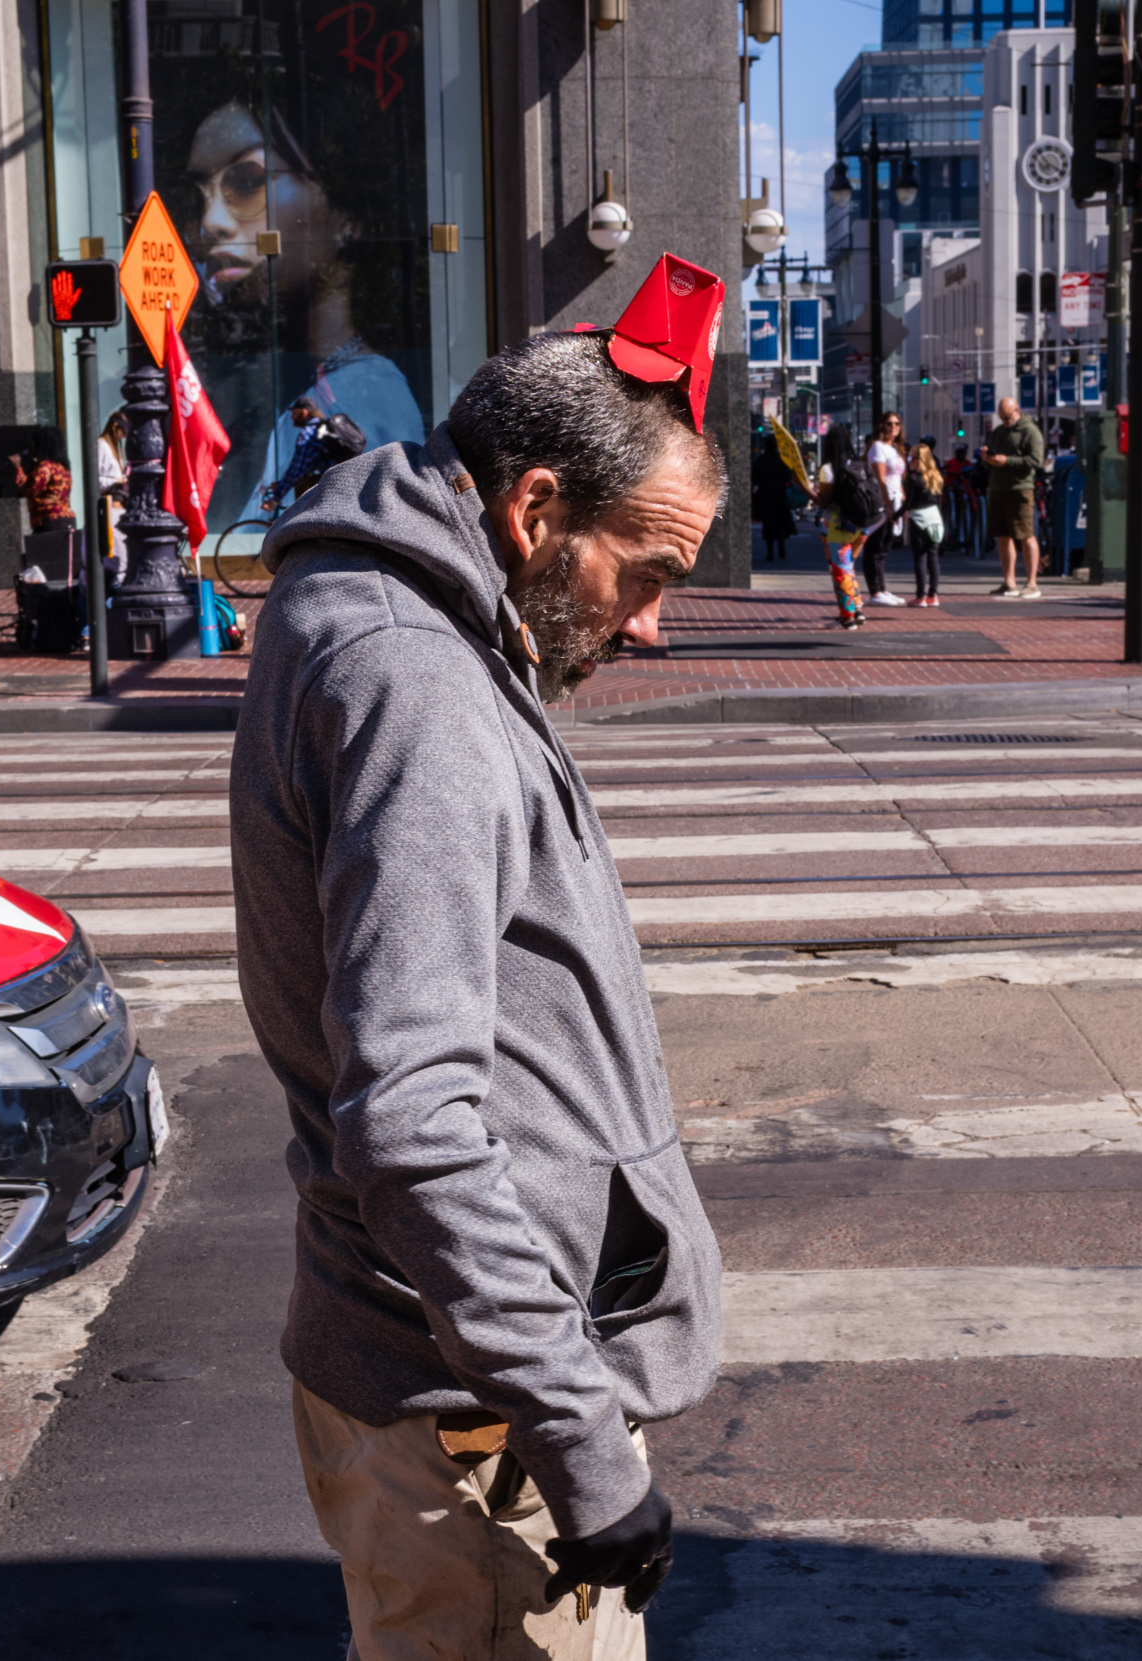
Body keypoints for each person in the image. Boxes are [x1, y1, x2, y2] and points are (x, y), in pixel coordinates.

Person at [231, 327, 724, 1661]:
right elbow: (413, 1124)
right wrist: (583, 1445)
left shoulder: (393, 613)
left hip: (455, 1379)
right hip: (480, 1426)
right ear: (536, 511)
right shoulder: (418, 681)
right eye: (646, 570)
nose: (650, 621)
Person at [181, 97, 428, 524]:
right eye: (198, 195)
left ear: (345, 214)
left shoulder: (368, 394)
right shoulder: (279, 388)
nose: (211, 221)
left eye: (247, 183)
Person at [983, 396, 1046, 597]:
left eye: (1008, 417)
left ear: (1017, 410)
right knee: (1003, 536)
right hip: (998, 488)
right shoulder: (999, 431)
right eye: (1001, 417)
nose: (1005, 421)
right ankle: (1009, 582)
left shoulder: (1030, 431)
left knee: (1026, 535)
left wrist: (1007, 461)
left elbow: (1036, 460)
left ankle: (1032, 583)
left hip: (1020, 489)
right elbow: (993, 459)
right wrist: (987, 458)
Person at [815, 424, 874, 629]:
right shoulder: (858, 465)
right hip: (861, 526)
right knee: (848, 567)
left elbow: (824, 500)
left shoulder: (828, 469)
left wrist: (804, 487)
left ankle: (847, 617)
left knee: (840, 570)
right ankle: (857, 608)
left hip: (838, 527)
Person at [864, 411, 908, 604]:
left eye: (897, 424)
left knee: (885, 546)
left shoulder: (895, 448)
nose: (893, 427)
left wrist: (903, 502)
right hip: (881, 502)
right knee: (875, 545)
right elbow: (881, 479)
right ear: (882, 426)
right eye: (889, 423)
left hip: (896, 501)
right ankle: (875, 591)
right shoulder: (878, 448)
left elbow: (897, 478)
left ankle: (882, 588)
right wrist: (887, 505)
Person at [261, 396, 331, 513]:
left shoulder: (308, 434)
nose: (291, 417)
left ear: (304, 412)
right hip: (335, 483)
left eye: (294, 413)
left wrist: (275, 499)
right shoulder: (323, 429)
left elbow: (297, 469)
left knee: (302, 487)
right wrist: (281, 484)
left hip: (324, 486)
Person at [902, 440, 948, 607]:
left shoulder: (913, 479)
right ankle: (933, 595)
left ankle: (920, 596)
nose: (909, 461)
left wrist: (895, 515)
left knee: (920, 558)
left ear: (919, 460)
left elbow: (908, 504)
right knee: (933, 558)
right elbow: (940, 503)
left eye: (911, 458)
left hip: (919, 519)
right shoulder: (936, 478)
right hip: (935, 519)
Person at [751, 430, 796, 562]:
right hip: (781, 496)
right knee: (781, 522)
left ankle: (770, 551)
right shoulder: (782, 460)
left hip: (766, 497)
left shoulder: (761, 460)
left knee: (768, 525)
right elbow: (788, 476)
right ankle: (781, 541)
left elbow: (755, 478)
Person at [8, 450, 77, 535]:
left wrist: (18, 469)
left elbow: (32, 490)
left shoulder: (45, 466)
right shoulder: (63, 466)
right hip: (66, 519)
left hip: (50, 519)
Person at [97, 412, 130, 584]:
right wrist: (117, 480)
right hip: (109, 503)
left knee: (122, 550)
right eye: (122, 431)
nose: (123, 436)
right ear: (114, 427)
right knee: (116, 551)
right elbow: (96, 479)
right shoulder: (102, 446)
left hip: (119, 504)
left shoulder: (117, 449)